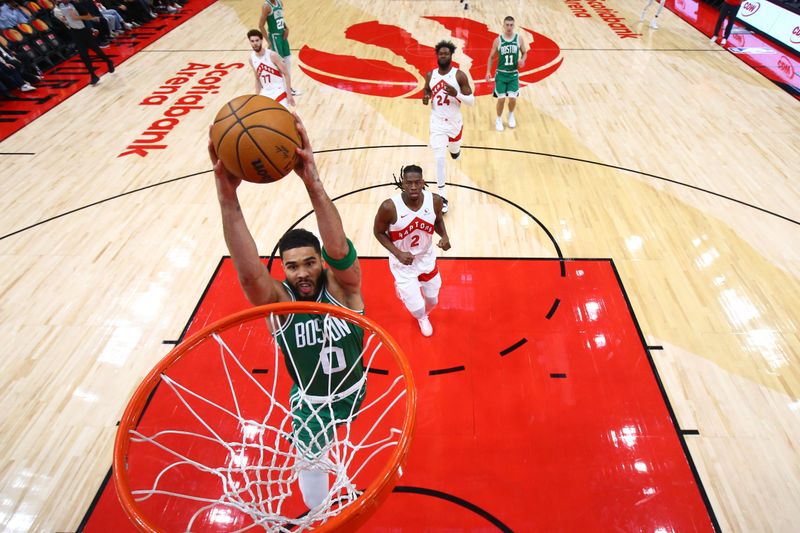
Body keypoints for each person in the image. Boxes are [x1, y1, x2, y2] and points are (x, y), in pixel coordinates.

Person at [210, 113, 363, 510]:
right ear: (283, 271)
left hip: (354, 390)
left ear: (321, 263)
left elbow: (339, 249)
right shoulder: (281, 303)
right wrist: (228, 199)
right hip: (311, 404)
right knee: (311, 465)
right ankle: (322, 513)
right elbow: (249, 277)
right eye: (291, 266)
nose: (302, 273)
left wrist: (312, 182)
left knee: (340, 446)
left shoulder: (344, 288)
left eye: (309, 263)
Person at [373, 165, 450, 337]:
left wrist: (444, 236)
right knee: (417, 308)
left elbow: (437, 221)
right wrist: (398, 253)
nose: (413, 187)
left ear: (423, 182)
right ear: (403, 183)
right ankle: (421, 317)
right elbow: (378, 232)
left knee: (433, 300)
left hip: (426, 258)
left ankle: (425, 313)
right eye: (409, 183)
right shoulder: (389, 207)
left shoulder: (435, 201)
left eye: (417, 182)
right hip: (403, 264)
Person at [422, 40, 474, 214]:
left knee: (454, 150)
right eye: (440, 53)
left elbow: (471, 101)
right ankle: (442, 195)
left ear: (451, 56)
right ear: (437, 56)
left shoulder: (459, 76)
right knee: (439, 158)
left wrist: (456, 93)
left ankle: (455, 150)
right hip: (436, 123)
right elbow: (426, 90)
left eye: (446, 53)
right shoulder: (430, 75)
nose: (443, 56)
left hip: (454, 122)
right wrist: (426, 96)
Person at [54, 0, 114, 85]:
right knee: (83, 55)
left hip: (84, 31)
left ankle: (108, 61)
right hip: (74, 32)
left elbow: (89, 17)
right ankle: (93, 76)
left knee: (95, 49)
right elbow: (63, 16)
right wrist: (65, 18)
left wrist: (77, 17)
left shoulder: (76, 4)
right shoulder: (60, 6)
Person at [484, 16, 528, 132]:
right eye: (507, 25)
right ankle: (498, 119)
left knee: (513, 99)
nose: (509, 27)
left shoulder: (519, 39)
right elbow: (491, 57)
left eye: (511, 25)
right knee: (501, 99)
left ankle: (510, 114)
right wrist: (488, 71)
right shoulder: (498, 40)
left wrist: (523, 60)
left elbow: (524, 53)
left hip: (513, 74)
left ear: (514, 26)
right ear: (503, 26)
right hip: (501, 74)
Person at [258, 0, 300, 96]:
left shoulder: (279, 2)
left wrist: (286, 28)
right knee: (280, 65)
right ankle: (284, 90)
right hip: (275, 37)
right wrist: (269, 41)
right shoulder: (266, 6)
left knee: (288, 60)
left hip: (283, 36)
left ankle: (288, 88)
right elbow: (260, 25)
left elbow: (280, 18)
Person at [247, 28, 294, 107]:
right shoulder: (251, 59)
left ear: (261, 41)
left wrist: (289, 94)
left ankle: (295, 116)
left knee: (283, 115)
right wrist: (257, 96)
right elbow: (257, 79)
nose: (255, 43)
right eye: (252, 41)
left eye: (257, 40)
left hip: (279, 90)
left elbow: (286, 74)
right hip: (265, 92)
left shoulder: (272, 55)